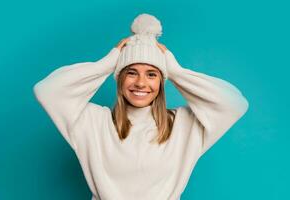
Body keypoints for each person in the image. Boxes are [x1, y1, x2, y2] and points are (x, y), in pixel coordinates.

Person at [33, 13, 249, 200]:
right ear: (120, 78)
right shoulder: (92, 122)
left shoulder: (184, 126)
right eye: (131, 72)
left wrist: (176, 72)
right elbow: (47, 91)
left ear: (161, 82)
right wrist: (106, 65)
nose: (141, 83)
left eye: (152, 74)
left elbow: (235, 104)